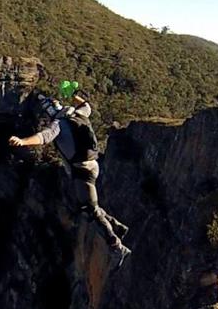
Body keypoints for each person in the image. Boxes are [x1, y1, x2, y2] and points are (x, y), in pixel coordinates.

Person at [8, 86, 131, 267]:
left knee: (90, 210)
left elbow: (42, 137)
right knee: (87, 205)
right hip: (92, 166)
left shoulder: (59, 124)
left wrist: (22, 141)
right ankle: (118, 227)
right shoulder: (80, 114)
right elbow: (87, 104)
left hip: (81, 170)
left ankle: (116, 246)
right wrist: (74, 95)